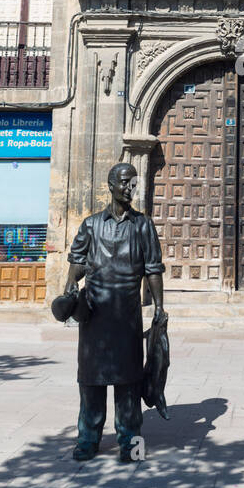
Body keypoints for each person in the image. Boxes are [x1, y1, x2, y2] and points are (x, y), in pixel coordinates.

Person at [65, 162, 165, 462]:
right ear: (110, 185)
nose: (129, 188)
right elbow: (77, 259)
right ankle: (88, 439)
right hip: (94, 313)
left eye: (133, 183)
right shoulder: (91, 224)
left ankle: (130, 443)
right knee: (91, 381)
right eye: (124, 182)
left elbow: (153, 269)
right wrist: (70, 286)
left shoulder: (143, 225)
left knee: (128, 382)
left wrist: (160, 306)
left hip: (127, 315)